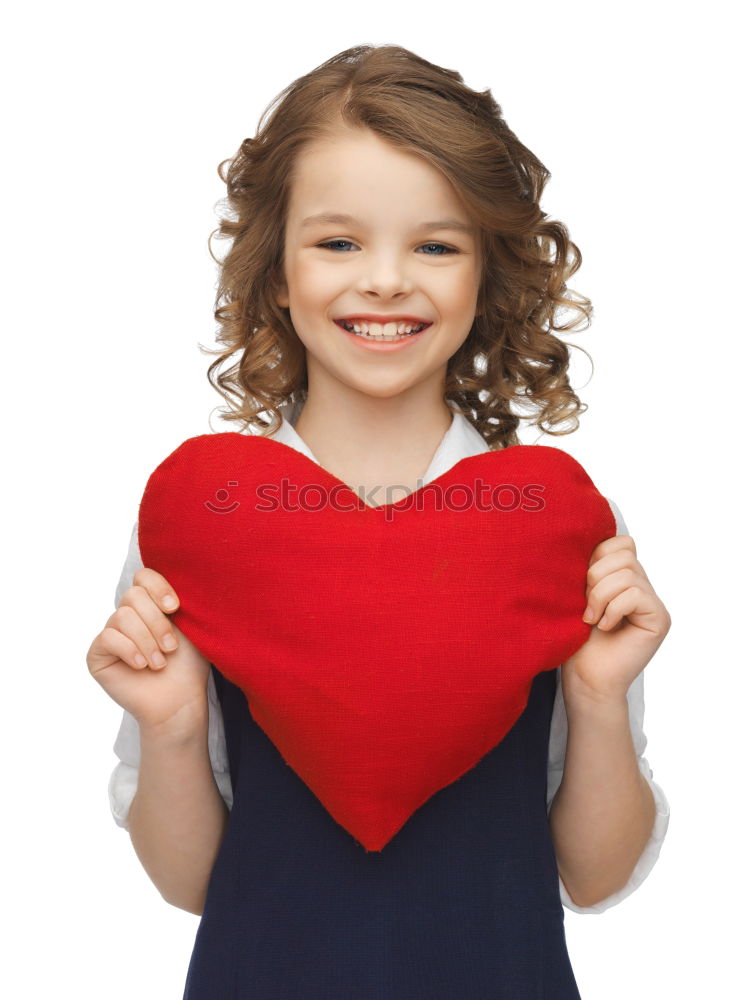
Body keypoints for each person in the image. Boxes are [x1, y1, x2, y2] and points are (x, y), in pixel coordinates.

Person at [87, 43, 672, 999]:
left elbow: (596, 874)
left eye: (436, 246)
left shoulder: (556, 524)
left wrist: (601, 698)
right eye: (339, 242)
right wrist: (175, 724)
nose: (388, 281)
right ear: (276, 271)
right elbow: (192, 884)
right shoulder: (205, 521)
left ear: (488, 276)